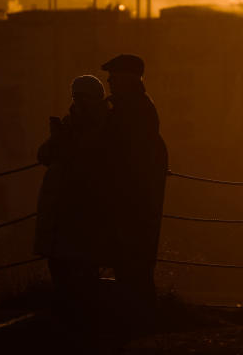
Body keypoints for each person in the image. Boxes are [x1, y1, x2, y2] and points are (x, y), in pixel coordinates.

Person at [34, 74, 110, 325]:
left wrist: (64, 139)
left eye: (83, 97)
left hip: (83, 207)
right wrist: (57, 137)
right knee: (60, 264)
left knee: (82, 264)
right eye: (76, 96)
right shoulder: (71, 123)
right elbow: (44, 155)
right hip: (61, 206)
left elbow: (87, 157)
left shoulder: (104, 126)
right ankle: (69, 312)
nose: (78, 101)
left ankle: (83, 316)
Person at [100, 54, 168, 329]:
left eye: (114, 77)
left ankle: (138, 320)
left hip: (132, 199)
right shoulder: (137, 107)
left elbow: (120, 153)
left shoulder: (131, 111)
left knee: (131, 261)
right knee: (132, 261)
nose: (109, 82)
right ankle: (140, 317)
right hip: (136, 198)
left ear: (127, 78)